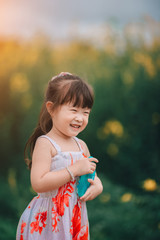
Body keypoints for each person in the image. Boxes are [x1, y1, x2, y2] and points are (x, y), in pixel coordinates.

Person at [16, 72, 103, 240]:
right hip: (48, 220)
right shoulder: (46, 144)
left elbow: (91, 175)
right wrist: (73, 170)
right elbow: (38, 183)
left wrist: (97, 185)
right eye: (74, 110)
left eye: (86, 112)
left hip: (74, 218)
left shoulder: (82, 146)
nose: (80, 118)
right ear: (51, 108)